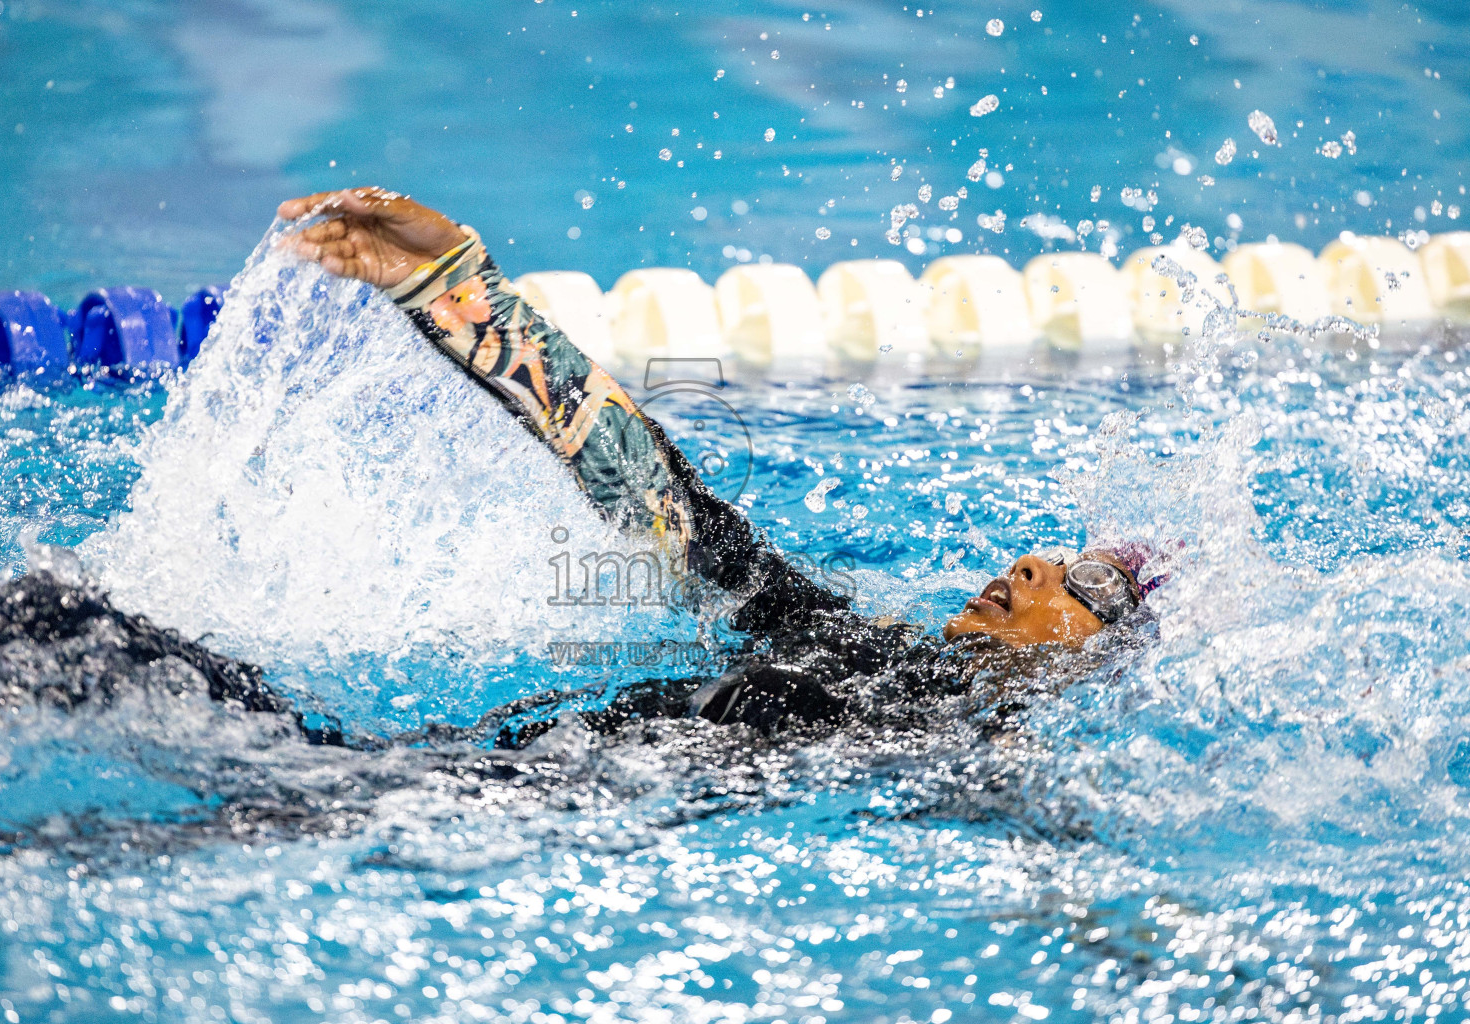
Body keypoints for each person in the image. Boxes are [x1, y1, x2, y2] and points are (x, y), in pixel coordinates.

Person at [266, 187, 1163, 743]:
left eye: (1088, 581)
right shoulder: (852, 639)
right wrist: (458, 291)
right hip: (459, 767)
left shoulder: (977, 748)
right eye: (1050, 553)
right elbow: (668, 501)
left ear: (1104, 661)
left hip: (531, 824)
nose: (1032, 564)